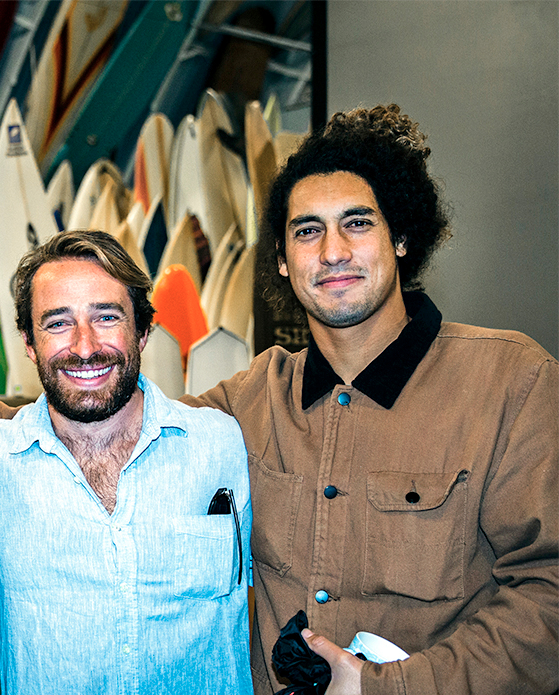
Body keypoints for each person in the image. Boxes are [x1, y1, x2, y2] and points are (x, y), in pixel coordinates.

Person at [183, 104, 558, 694]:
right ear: (282, 260)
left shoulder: (513, 383)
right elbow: (123, 426)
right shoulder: (252, 400)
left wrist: (387, 687)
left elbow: (549, 596)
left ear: (402, 237)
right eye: (307, 231)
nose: (332, 251)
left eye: (357, 223)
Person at [0, 230, 252, 694]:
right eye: (57, 323)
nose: (84, 346)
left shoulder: (221, 445)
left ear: (143, 329)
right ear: (28, 342)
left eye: (106, 317)